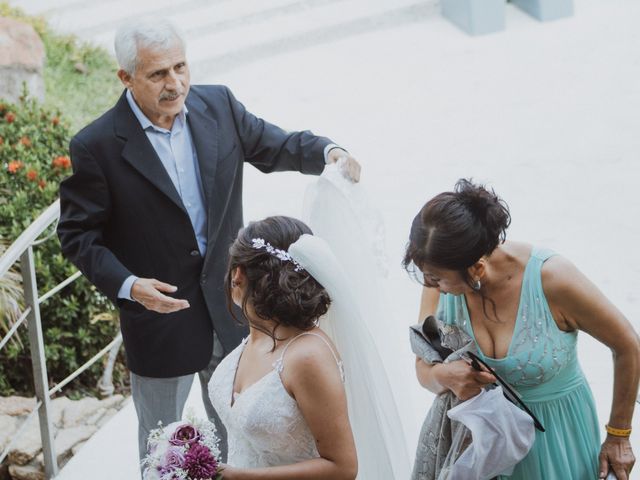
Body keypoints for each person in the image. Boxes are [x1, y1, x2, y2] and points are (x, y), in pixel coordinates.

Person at [56, 17, 361, 468]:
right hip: (159, 325)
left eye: (180, 66)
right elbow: (78, 234)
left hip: (235, 309)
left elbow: (275, 145)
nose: (175, 82)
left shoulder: (218, 105)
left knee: (237, 438)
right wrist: (128, 284)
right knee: (158, 449)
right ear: (126, 77)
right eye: (158, 73)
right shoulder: (95, 145)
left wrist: (328, 152)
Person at [403, 179, 639, 480]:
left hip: (555, 442)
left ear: (476, 268)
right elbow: (424, 365)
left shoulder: (552, 279)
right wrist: (442, 376)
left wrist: (619, 435)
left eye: (437, 279)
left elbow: (628, 344)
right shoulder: (437, 278)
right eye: (428, 276)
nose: (431, 285)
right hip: (480, 447)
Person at [209, 214, 410, 479]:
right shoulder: (257, 336)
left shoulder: (307, 355)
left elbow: (343, 468)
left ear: (238, 275)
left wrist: (237, 476)